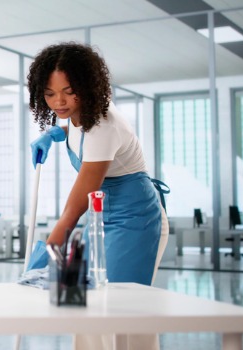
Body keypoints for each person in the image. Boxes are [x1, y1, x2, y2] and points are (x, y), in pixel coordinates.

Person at [26, 42, 169, 288]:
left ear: (85, 86)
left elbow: (77, 202)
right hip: (100, 216)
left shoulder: (104, 124)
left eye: (69, 91)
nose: (59, 101)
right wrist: (53, 133)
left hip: (134, 219)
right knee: (89, 302)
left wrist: (53, 245)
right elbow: (76, 132)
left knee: (120, 303)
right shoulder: (75, 112)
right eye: (50, 94)